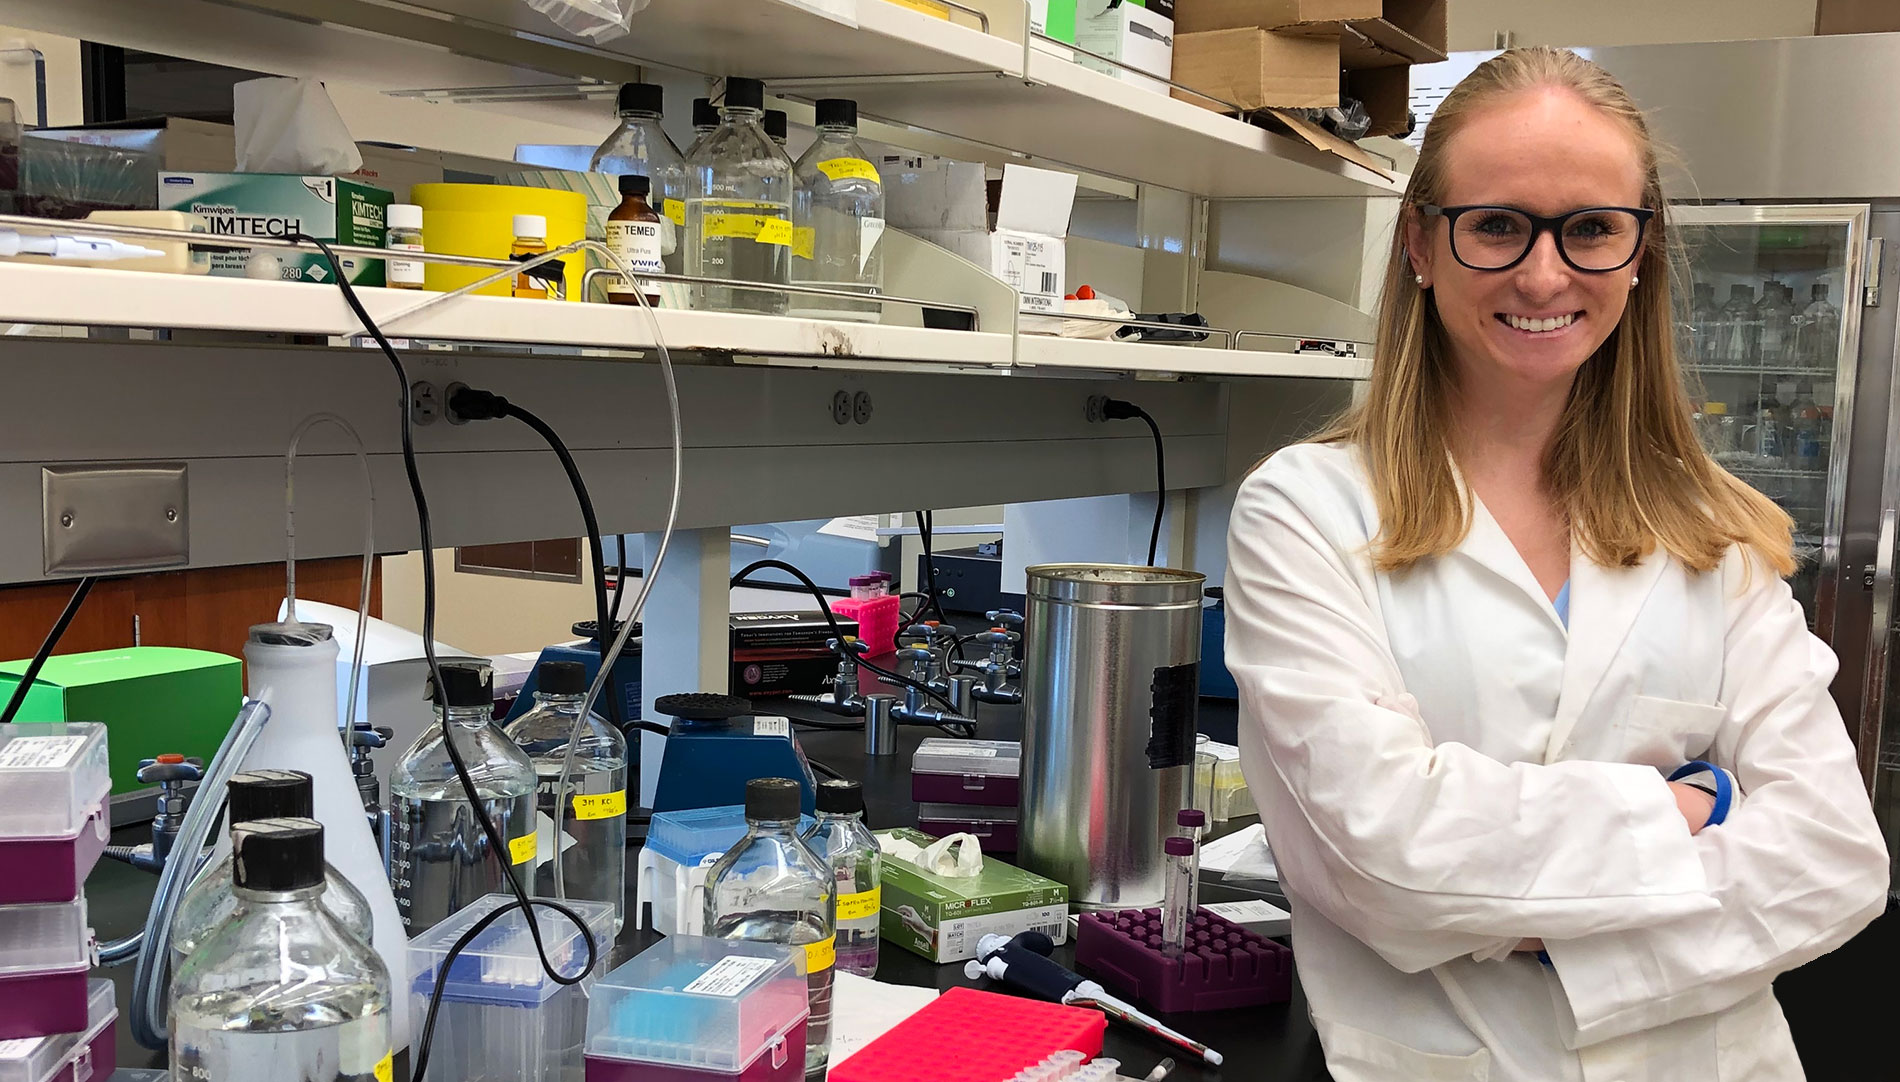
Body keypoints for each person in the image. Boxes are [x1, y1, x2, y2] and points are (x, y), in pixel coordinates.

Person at [1223, 47, 1889, 1082]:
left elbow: (1835, 857)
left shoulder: (1712, 528)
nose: (1543, 274)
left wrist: (1546, 934)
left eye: (1588, 228)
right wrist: (1680, 811)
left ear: (1639, 253)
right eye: (1495, 224)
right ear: (1419, 244)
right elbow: (1383, 855)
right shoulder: (1305, 511)